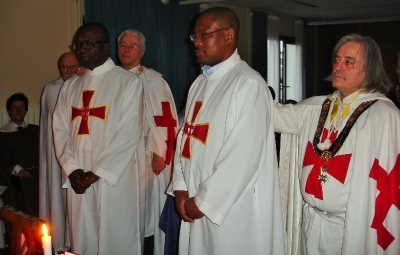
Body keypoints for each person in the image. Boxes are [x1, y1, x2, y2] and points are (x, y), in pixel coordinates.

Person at [172, 7, 285, 254]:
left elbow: (243, 157)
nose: (197, 42)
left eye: (204, 34)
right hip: (192, 197)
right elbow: (185, 138)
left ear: (229, 35)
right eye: (194, 36)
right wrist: (181, 188)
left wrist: (203, 202)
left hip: (231, 207)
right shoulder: (199, 83)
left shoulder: (248, 84)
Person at [275, 34, 400, 254]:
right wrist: (244, 83)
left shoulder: (383, 115)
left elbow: (388, 182)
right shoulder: (316, 106)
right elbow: (270, 115)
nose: (338, 66)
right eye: (337, 59)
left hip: (349, 227)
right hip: (310, 221)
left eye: (348, 61)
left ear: (369, 69)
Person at [52, 22, 146, 255]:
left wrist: (97, 172)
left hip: (111, 178)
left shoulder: (128, 83)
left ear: (105, 48)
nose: (82, 49)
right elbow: (60, 130)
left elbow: (128, 133)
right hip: (78, 179)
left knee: (115, 237)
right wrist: (72, 169)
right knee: (82, 239)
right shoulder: (70, 87)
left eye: (89, 44)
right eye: (78, 45)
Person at [117, 29, 179, 255]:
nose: (126, 49)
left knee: (144, 211)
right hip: (120, 155)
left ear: (141, 52)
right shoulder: (114, 78)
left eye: (132, 46)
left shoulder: (152, 80)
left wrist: (159, 153)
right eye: (123, 45)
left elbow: (164, 120)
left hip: (144, 156)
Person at [38, 52, 80, 253]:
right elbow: (48, 129)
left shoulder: (83, 88)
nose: (69, 71)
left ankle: (77, 241)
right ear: (59, 69)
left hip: (78, 157)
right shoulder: (51, 90)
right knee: (58, 198)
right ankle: (59, 244)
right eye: (65, 67)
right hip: (56, 158)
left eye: (73, 66)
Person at [0, 92, 39, 217]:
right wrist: (19, 170)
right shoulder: (3, 134)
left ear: (26, 110)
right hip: (16, 179)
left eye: (22, 107)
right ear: (9, 111)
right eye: (15, 107)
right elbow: (3, 159)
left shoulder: (35, 130)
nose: (18, 110)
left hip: (37, 176)